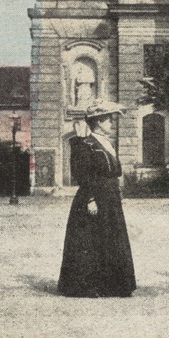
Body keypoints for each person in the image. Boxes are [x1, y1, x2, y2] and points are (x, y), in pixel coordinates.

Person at [57, 102, 136, 297]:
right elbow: (83, 174)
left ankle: (115, 285)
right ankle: (89, 286)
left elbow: (114, 173)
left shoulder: (108, 143)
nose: (111, 123)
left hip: (110, 198)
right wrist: (91, 199)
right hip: (94, 196)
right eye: (108, 119)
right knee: (92, 241)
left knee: (112, 239)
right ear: (99, 122)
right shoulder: (86, 144)